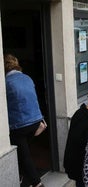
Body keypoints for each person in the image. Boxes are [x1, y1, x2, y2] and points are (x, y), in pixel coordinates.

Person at [4, 54, 45, 187]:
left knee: (24, 155)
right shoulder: (27, 78)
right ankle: (22, 176)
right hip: (35, 121)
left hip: (19, 124)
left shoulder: (5, 82)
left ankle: (37, 183)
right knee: (24, 152)